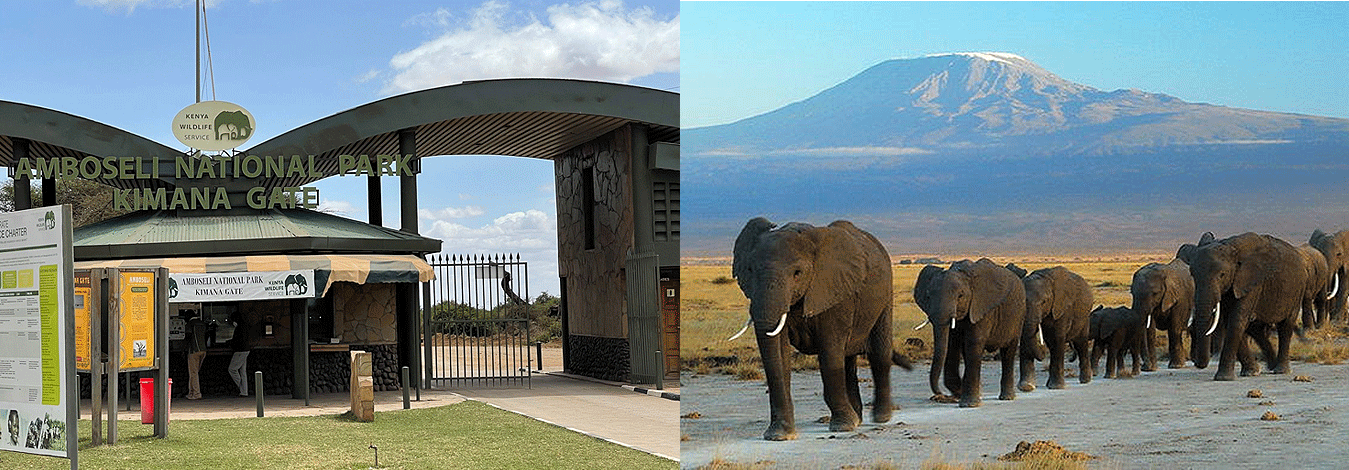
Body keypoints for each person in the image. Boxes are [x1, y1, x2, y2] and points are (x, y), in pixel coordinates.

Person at [226, 311, 253, 397]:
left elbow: (237, 340)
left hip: (240, 351)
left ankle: (242, 388)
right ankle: (244, 391)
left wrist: (229, 342)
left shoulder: (239, 327)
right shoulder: (245, 326)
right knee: (243, 371)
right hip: (246, 349)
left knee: (232, 369)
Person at [183, 310, 207, 399]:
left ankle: (196, 393)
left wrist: (184, 349)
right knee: (194, 372)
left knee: (193, 373)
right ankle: (191, 392)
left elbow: (188, 337)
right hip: (203, 349)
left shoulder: (190, 324)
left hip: (193, 350)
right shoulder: (202, 323)